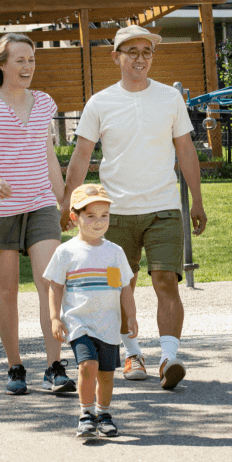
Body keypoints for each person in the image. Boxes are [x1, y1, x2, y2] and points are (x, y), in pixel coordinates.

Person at [60, 25, 207, 390]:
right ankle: (131, 352)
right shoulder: (100, 102)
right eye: (132, 52)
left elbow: (186, 150)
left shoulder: (169, 99)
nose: (140, 58)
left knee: (166, 281)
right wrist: (69, 202)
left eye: (147, 52)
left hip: (164, 208)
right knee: (118, 286)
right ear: (117, 57)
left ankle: (169, 357)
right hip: (114, 214)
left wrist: (197, 200)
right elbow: (81, 156)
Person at [0, 32, 76, 396]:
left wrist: (65, 201)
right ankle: (15, 366)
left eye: (31, 60)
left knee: (50, 284)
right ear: (2, 64)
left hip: (40, 203)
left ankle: (54, 366)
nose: (27, 66)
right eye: (20, 60)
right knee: (7, 290)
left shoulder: (44, 102)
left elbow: (47, 155)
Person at [45, 184, 138, 438]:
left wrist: (131, 316)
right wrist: (55, 317)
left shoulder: (114, 253)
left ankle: (103, 413)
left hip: (108, 325)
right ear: (75, 218)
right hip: (79, 323)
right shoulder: (66, 252)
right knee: (88, 365)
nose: (99, 222)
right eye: (91, 216)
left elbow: (125, 287)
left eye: (104, 216)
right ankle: (86, 414)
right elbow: (55, 286)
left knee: (106, 375)